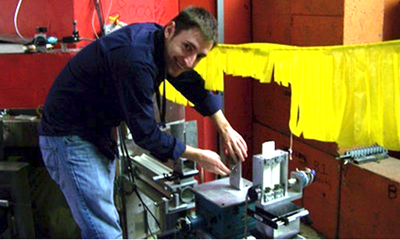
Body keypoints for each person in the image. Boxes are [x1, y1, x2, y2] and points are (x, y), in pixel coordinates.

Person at [38, 6, 248, 239]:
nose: (190, 61)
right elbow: (146, 134)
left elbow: (189, 81)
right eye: (187, 47)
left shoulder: (160, 44)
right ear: (170, 30)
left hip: (94, 133)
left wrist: (225, 127)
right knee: (103, 231)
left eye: (199, 56)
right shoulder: (136, 58)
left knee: (103, 221)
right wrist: (199, 156)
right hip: (69, 137)